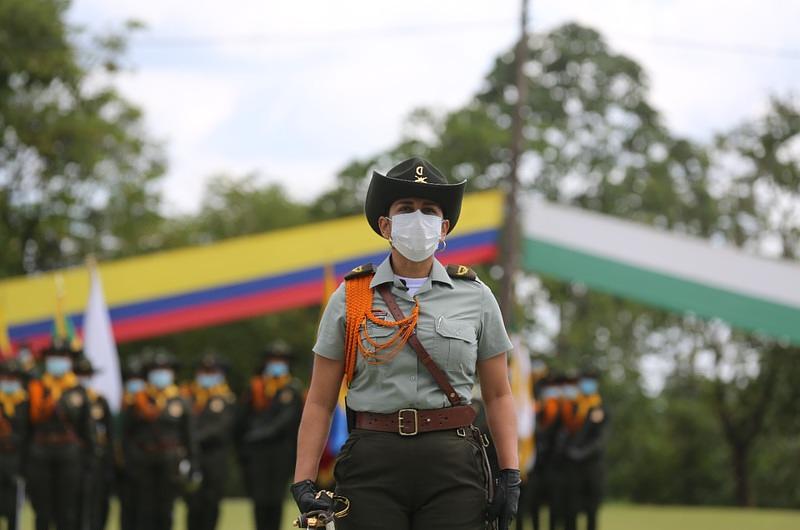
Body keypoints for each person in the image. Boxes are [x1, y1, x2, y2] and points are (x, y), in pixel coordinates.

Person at [291, 157, 521, 530]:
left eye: (429, 210)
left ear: (443, 227)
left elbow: (498, 394)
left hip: (453, 468)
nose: (418, 218)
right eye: (406, 209)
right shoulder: (352, 297)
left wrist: (510, 473)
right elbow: (319, 399)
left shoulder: (476, 296)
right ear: (386, 225)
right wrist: (303, 479)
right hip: (371, 466)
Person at [236, 341, 304, 530]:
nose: (277, 364)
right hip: (256, 454)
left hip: (280, 452)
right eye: (273, 360)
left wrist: (258, 434)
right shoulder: (255, 387)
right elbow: (241, 420)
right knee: (259, 499)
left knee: (275, 500)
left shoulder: (292, 389)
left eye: (281, 360)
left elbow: (288, 421)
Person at [27, 341, 95, 530]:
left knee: (67, 510)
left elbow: (86, 429)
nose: (57, 362)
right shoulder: (36, 387)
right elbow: (27, 426)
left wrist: (90, 459)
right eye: (53, 357)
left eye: (62, 358)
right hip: (40, 453)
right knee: (42, 510)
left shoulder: (77, 390)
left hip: (69, 455)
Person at [127, 350, 198, 530]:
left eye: (165, 370)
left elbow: (189, 436)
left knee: (166, 509)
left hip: (170, 462)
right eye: (156, 370)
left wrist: (193, 464)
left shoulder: (180, 400)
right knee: (144, 510)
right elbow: (129, 434)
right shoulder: (139, 400)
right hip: (144, 461)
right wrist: (132, 461)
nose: (160, 374)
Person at [184, 353, 236, 530]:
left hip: (215, 457)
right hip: (193, 457)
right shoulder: (189, 396)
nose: (207, 375)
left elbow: (220, 428)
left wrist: (193, 438)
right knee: (193, 503)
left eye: (211, 371)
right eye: (204, 371)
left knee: (211, 502)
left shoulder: (224, 398)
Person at [74, 355, 114, 530]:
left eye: (87, 374)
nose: (85, 378)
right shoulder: (69, 399)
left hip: (98, 459)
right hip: (76, 458)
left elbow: (110, 432)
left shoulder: (100, 400)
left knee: (99, 501)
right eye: (81, 374)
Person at [563, 370, 607, 530]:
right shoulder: (573, 406)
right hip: (572, 467)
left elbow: (600, 438)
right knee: (570, 509)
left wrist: (582, 453)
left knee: (591, 509)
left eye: (591, 380)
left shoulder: (601, 407)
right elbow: (565, 430)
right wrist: (568, 450)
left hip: (592, 466)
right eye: (585, 380)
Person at [0, 358, 29, 530]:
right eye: (5, 378)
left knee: (14, 513)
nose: (9, 382)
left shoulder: (25, 402)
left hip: (17, 461)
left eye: (13, 378)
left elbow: (29, 433)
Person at [118, 356, 146, 530]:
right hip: (126, 463)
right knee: (127, 507)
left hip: (147, 463)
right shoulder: (120, 404)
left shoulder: (150, 404)